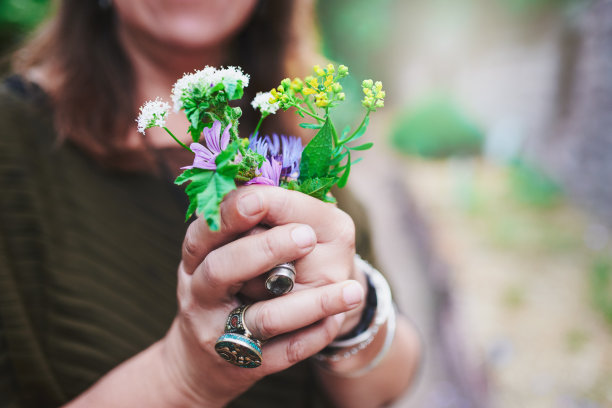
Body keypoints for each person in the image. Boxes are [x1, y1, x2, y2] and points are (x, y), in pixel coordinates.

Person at [0, 0, 421, 407]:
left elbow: (389, 382)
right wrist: (184, 378)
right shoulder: (14, 147)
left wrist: (350, 312)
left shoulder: (298, 138)